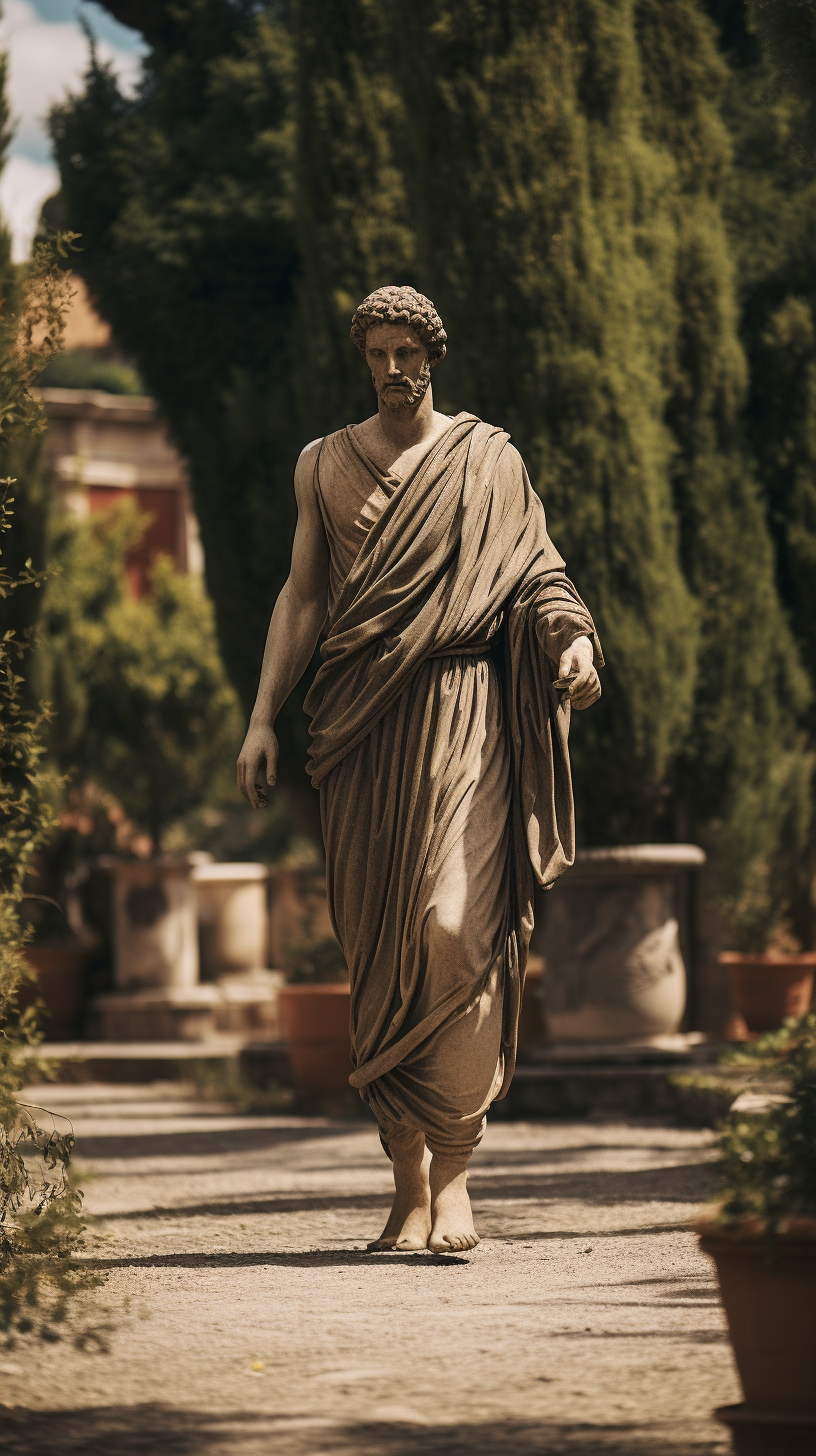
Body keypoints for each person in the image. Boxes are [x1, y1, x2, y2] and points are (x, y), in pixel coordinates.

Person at [238, 286, 602, 1253]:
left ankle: (459, 1167)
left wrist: (573, 644)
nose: (395, 369)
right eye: (379, 354)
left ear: (434, 355)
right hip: (361, 733)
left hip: (468, 715)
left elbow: (539, 572)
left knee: (453, 929)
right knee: (377, 952)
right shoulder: (323, 463)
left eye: (410, 352)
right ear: (364, 359)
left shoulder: (488, 460)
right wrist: (261, 719)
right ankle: (406, 1184)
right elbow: (303, 595)